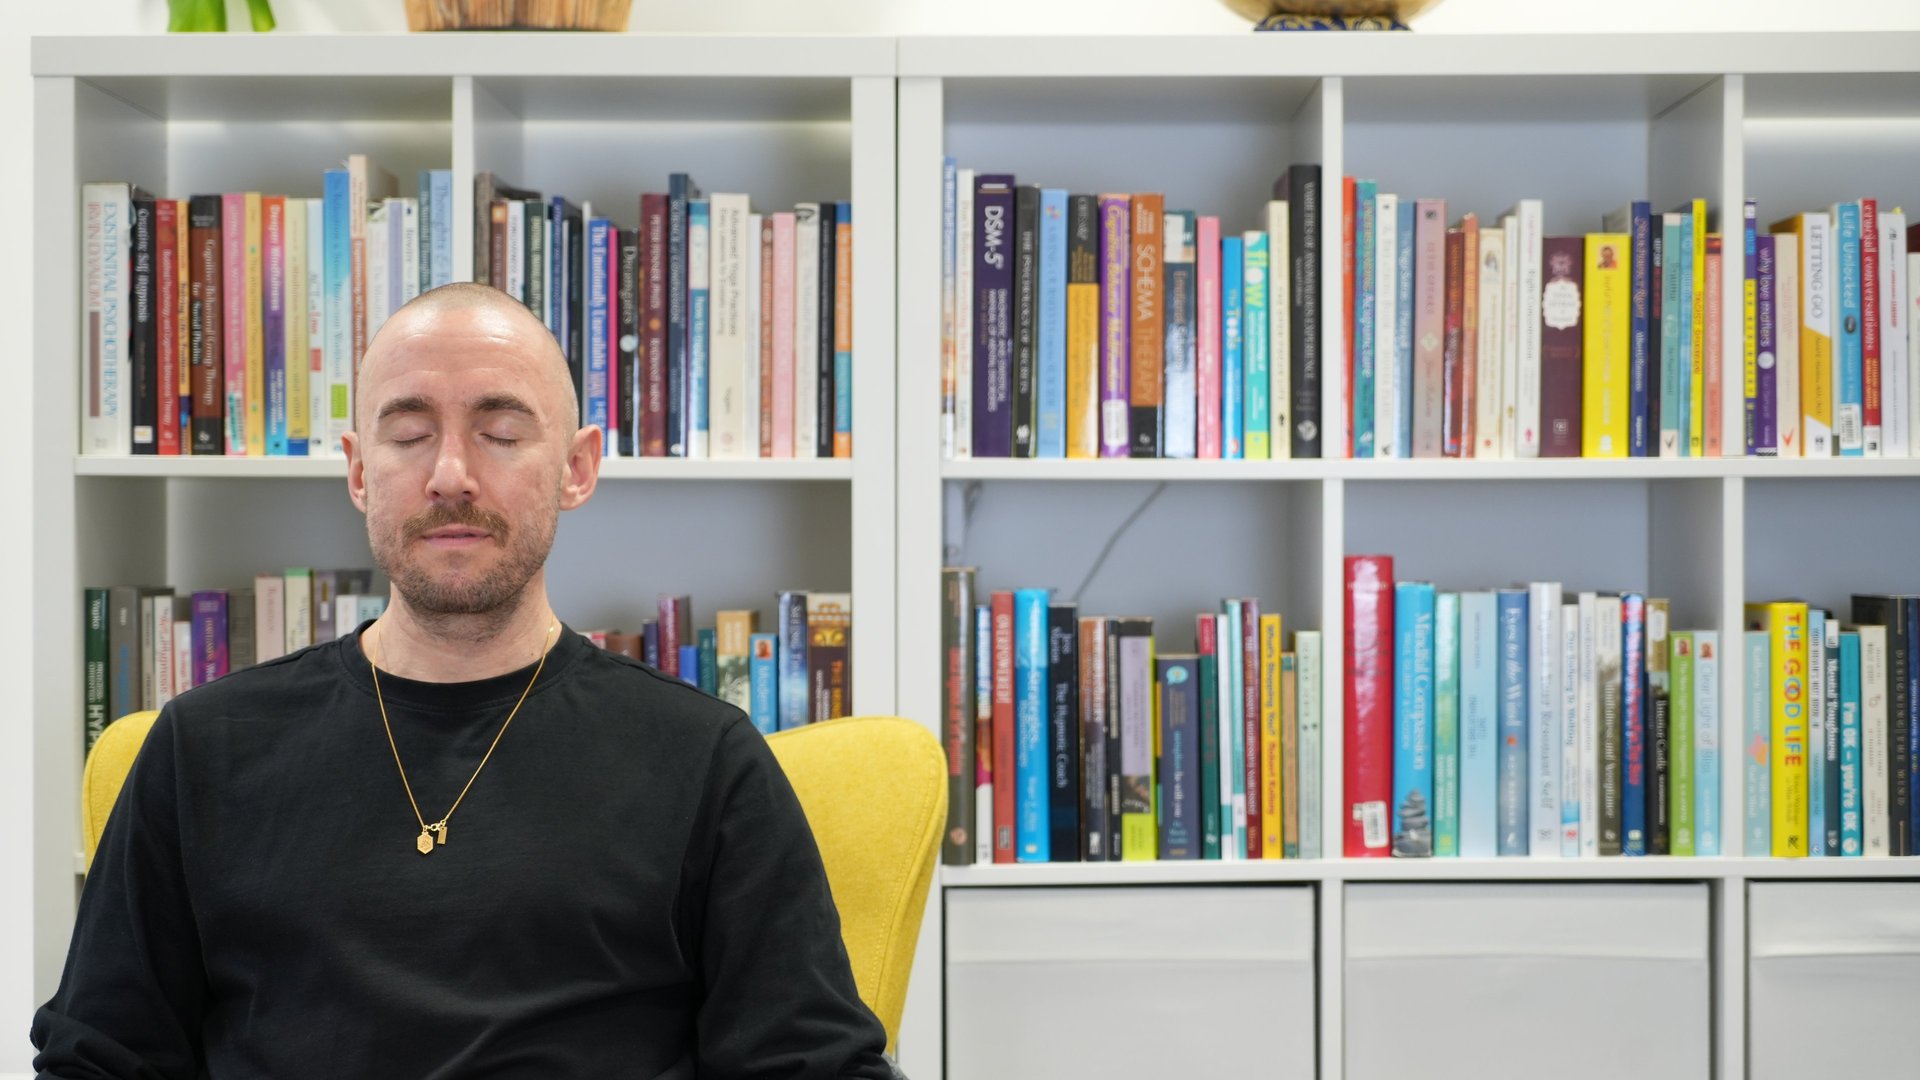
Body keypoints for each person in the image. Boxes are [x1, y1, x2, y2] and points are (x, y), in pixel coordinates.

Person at [32, 283, 896, 1079]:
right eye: (408, 435)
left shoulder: (705, 760)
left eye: (502, 433)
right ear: (360, 471)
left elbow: (816, 1066)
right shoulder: (202, 750)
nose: (450, 473)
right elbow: (100, 1060)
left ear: (577, 468)